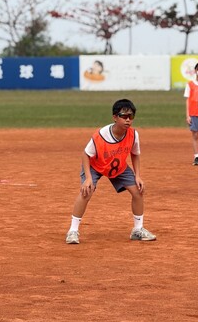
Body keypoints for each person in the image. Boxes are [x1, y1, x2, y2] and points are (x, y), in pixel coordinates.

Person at [65, 99, 156, 244]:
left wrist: (138, 176)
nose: (128, 120)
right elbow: (85, 154)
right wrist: (88, 178)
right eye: (124, 116)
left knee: (138, 191)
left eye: (131, 117)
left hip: (118, 166)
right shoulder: (101, 135)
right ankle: (73, 231)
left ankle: (137, 230)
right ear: (115, 117)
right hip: (95, 165)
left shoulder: (133, 134)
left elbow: (135, 154)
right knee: (87, 191)